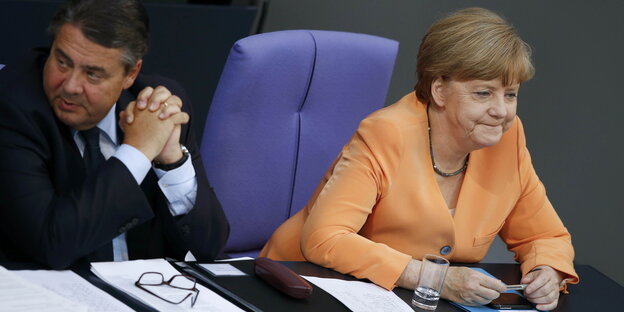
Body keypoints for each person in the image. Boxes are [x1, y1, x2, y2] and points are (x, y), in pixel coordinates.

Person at [260, 7, 578, 311]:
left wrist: (547, 271)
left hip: (397, 300)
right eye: (483, 93)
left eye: (510, 94)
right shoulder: (386, 133)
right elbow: (324, 238)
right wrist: (435, 279)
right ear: (439, 90)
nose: (501, 111)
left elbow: (544, 235)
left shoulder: (507, 138)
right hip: (299, 286)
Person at [0, 0, 229, 268]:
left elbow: (209, 249)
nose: (71, 86)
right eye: (62, 62)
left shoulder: (159, 107)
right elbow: (51, 243)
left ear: (131, 74)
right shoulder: (12, 106)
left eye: (92, 74)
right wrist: (137, 153)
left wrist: (171, 161)